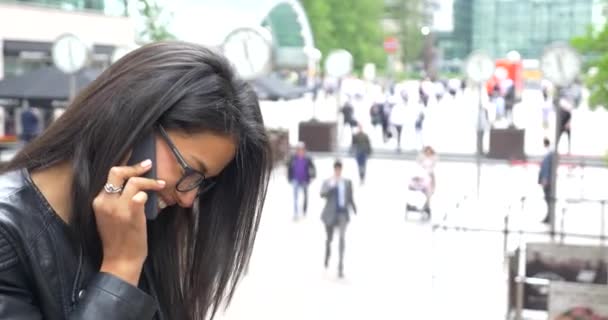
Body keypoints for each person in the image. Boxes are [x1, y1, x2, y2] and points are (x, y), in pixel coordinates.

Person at [0, 41, 272, 320]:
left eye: (201, 183)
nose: (189, 199)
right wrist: (121, 268)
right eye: (189, 170)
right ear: (136, 122)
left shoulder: (141, 225)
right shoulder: (8, 234)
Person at [321, 160, 356, 278]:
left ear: (341, 169)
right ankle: (327, 255)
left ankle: (340, 265)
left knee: (342, 237)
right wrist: (332, 186)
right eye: (336, 169)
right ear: (334, 169)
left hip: (342, 214)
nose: (338, 171)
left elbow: (350, 197)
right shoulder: (328, 181)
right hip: (330, 214)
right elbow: (322, 194)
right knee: (329, 239)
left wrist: (354, 207)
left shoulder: (346, 182)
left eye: (339, 169)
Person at [287, 142, 316, 220]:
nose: (300, 151)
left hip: (305, 180)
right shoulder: (293, 158)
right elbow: (289, 168)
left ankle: (304, 211)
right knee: (295, 197)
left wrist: (313, 176)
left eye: (302, 149)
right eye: (299, 149)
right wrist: (289, 178)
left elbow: (313, 168)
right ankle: (296, 213)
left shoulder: (307, 158)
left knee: (305, 196)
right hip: (295, 180)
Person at [539, 137, 554, 224]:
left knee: (548, 199)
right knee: (548, 199)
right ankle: (549, 216)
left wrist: (545, 179)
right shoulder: (549, 153)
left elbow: (546, 167)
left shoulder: (549, 154)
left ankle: (549, 216)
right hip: (547, 180)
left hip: (547, 181)